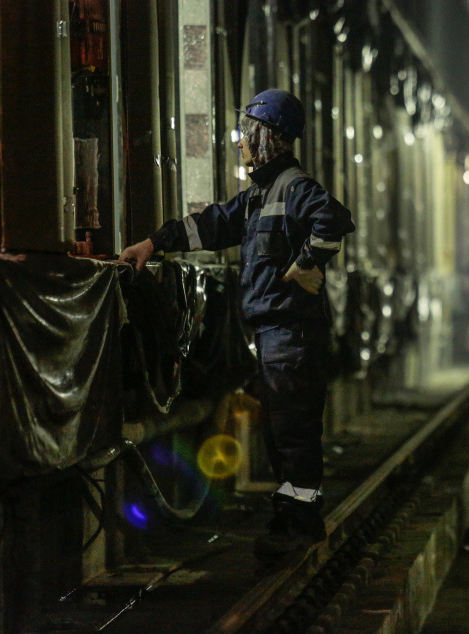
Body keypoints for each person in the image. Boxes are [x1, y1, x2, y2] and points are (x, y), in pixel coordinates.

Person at [120, 89, 355, 558]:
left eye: (246, 134)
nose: (240, 144)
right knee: (280, 432)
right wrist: (152, 243)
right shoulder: (258, 197)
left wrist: (306, 262)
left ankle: (302, 524)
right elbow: (209, 225)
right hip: (274, 334)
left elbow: (334, 218)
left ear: (266, 135)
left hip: (293, 333)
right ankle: (292, 518)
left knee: (293, 432)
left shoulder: (294, 187)